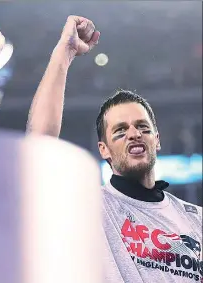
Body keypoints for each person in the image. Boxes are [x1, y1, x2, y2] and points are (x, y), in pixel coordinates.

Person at [27, 15, 202, 283]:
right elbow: (38, 150)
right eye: (120, 131)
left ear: (156, 139)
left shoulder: (195, 220)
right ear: (104, 149)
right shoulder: (89, 207)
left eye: (143, 127)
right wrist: (65, 52)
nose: (133, 134)